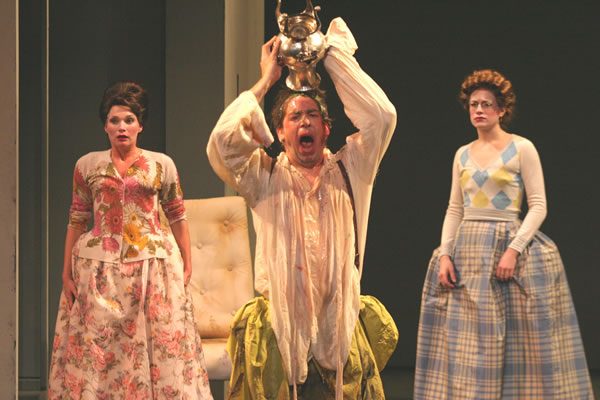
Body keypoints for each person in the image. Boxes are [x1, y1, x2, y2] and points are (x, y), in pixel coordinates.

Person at [207, 18, 398, 400]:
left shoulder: (353, 168)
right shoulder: (264, 176)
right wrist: (265, 80)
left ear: (326, 129)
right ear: (279, 133)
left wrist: (330, 55)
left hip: (338, 332)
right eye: (295, 117)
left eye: (312, 115)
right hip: (281, 334)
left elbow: (381, 116)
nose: (305, 121)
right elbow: (222, 143)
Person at [414, 69, 594, 399]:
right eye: (473, 104)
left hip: (506, 245)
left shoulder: (521, 148)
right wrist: (445, 254)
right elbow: (454, 208)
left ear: (501, 109)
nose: (479, 110)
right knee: (469, 340)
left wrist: (514, 249)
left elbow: (538, 205)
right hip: (468, 250)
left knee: (520, 339)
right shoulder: (462, 154)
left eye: (486, 104)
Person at [48, 81, 213, 399]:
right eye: (114, 120)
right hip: (99, 268)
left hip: (152, 267)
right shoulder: (87, 165)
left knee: (158, 341)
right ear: (105, 126)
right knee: (99, 345)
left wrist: (186, 261)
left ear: (140, 125)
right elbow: (77, 217)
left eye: (129, 120)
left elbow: (177, 214)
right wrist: (65, 272)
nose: (122, 127)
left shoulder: (161, 164)